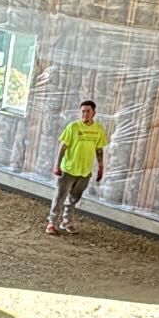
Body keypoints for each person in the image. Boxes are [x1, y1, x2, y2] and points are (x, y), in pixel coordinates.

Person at [48, 97, 109, 236]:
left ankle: (66, 221)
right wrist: (57, 165)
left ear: (94, 112)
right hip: (68, 169)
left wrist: (100, 166)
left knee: (74, 197)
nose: (84, 114)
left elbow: (99, 149)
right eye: (82, 112)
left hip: (84, 171)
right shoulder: (73, 127)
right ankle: (52, 222)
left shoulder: (98, 129)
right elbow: (63, 147)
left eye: (87, 111)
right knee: (60, 196)